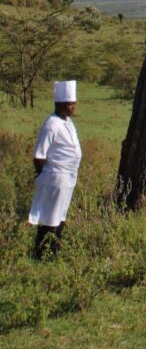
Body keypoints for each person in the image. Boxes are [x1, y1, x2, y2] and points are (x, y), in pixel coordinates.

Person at [28, 80, 82, 260]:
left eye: (74, 103)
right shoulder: (51, 124)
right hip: (54, 179)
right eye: (69, 104)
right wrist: (46, 176)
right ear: (59, 104)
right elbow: (39, 156)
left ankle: (53, 254)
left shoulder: (67, 122)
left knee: (59, 218)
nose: (73, 107)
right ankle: (41, 255)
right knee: (48, 220)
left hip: (67, 180)